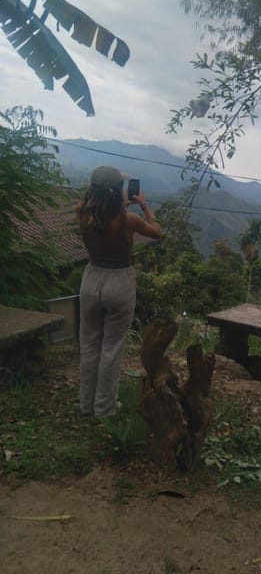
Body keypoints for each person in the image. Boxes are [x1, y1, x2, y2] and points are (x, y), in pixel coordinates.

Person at [76, 165, 161, 417]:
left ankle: (85, 404)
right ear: (119, 192)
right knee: (111, 347)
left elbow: (100, 214)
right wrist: (144, 206)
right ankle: (104, 408)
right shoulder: (128, 220)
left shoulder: (81, 213)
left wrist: (118, 204)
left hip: (91, 280)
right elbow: (157, 232)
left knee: (89, 343)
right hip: (119, 282)